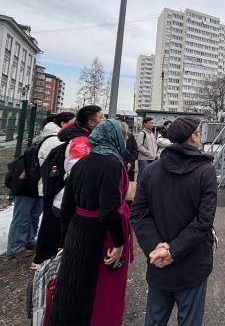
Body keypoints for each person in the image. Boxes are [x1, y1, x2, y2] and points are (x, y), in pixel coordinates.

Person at [131, 117, 217, 326]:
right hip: (192, 263)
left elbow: (138, 213)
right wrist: (172, 252)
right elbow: (203, 221)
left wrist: (155, 247)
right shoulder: (205, 171)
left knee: (154, 319)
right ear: (194, 137)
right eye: (199, 131)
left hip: (158, 261)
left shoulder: (151, 170)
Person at [49, 119, 133, 326]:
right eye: (124, 137)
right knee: (99, 287)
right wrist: (119, 242)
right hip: (99, 234)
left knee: (73, 284)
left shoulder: (83, 162)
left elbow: (67, 206)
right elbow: (109, 209)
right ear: (115, 138)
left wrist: (64, 238)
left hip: (77, 229)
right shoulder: (112, 164)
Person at [32, 112, 75, 268]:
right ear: (63, 124)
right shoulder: (55, 140)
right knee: (50, 224)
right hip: (53, 188)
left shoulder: (57, 138)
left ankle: (46, 256)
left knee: (51, 223)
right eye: (73, 122)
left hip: (54, 187)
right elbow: (53, 167)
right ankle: (42, 259)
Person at [52, 105, 104, 216]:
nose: (104, 120)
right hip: (70, 203)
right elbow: (79, 174)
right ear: (91, 122)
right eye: (101, 117)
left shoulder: (86, 138)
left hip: (73, 200)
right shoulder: (81, 142)